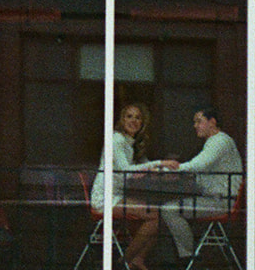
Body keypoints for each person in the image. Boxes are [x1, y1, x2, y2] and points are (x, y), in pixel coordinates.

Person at [157, 107, 242, 263]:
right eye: (194, 122)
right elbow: (201, 171)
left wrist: (171, 169)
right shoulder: (217, 142)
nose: (195, 125)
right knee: (171, 207)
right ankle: (187, 255)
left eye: (199, 121)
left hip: (220, 201)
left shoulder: (219, 141)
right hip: (218, 199)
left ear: (212, 122)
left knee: (169, 209)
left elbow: (199, 165)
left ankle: (188, 257)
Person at [91, 103, 160, 270]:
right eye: (129, 116)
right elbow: (127, 171)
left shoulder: (130, 143)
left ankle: (137, 260)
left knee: (153, 214)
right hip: (105, 198)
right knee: (154, 216)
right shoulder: (116, 139)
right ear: (122, 120)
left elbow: (145, 164)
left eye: (138, 117)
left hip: (117, 196)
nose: (133, 121)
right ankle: (123, 262)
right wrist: (159, 164)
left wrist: (164, 168)